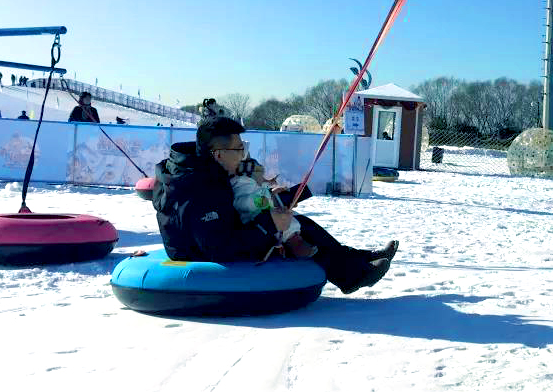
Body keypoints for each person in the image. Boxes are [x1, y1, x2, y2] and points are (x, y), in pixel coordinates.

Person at [153, 108, 398, 295]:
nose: (244, 154)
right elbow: (218, 247)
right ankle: (353, 275)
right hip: (203, 256)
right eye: (239, 149)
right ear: (217, 154)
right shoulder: (198, 190)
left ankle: (358, 261)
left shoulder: (217, 172)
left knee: (298, 222)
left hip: (220, 235)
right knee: (290, 229)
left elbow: (244, 205)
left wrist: (287, 195)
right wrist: (268, 224)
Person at [230, 156, 317, 259]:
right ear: (250, 175)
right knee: (288, 228)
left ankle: (297, 243)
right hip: (258, 223)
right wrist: (270, 198)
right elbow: (246, 202)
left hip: (268, 218)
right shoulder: (242, 186)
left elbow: (262, 190)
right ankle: (297, 247)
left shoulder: (254, 185)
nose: (263, 176)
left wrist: (274, 193)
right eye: (260, 173)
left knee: (289, 220)